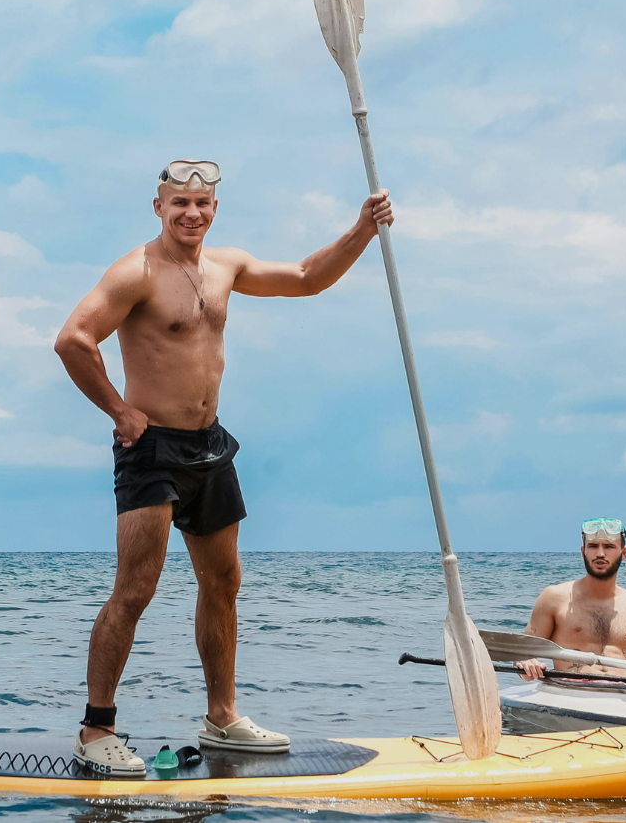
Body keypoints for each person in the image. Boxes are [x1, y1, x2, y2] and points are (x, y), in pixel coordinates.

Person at [54, 159, 394, 774]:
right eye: (179, 202)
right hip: (151, 450)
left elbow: (306, 277)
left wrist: (363, 229)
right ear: (157, 207)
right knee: (135, 589)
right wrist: (120, 411)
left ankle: (222, 718)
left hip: (209, 446)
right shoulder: (136, 273)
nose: (191, 213)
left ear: (215, 209)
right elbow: (74, 338)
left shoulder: (226, 266)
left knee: (224, 583)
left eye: (202, 203)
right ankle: (96, 730)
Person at [515, 517, 626, 681]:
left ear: (623, 553)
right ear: (583, 552)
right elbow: (523, 656)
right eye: (593, 546)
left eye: (609, 546)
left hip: (621, 696)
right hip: (570, 694)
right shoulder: (554, 598)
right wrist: (525, 663)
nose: (600, 553)